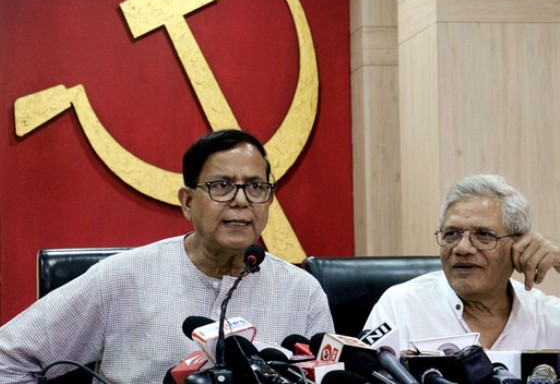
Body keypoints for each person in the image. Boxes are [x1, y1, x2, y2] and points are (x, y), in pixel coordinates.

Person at [0, 129, 334, 383]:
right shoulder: (123, 278)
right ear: (187, 202)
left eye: (256, 187)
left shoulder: (302, 293)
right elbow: (8, 358)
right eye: (222, 186)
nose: (241, 200)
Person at [364, 174, 560, 383]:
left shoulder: (556, 320)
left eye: (484, 235)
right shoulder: (401, 306)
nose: (462, 248)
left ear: (520, 245)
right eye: (452, 234)